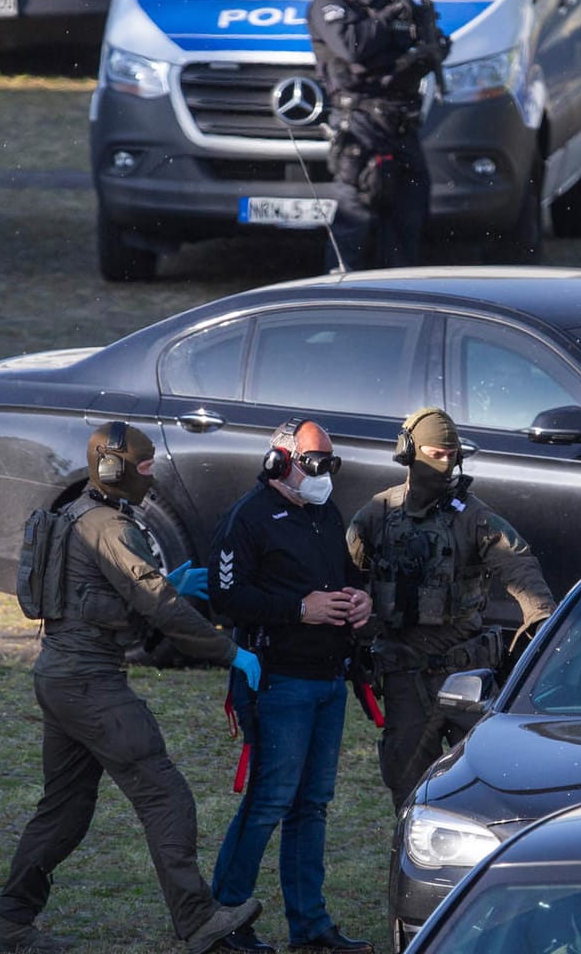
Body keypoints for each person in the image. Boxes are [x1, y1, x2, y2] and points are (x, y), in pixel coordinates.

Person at [0, 421, 265, 954]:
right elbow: (155, 604)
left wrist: (166, 588)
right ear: (112, 469)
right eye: (142, 466)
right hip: (92, 685)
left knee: (64, 809)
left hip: (60, 677)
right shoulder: (110, 528)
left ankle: (10, 922)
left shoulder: (77, 515)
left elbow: (100, 596)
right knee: (166, 796)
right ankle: (199, 920)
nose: (150, 473)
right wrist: (230, 651)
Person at [205, 418, 374, 954]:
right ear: (279, 461)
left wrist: (359, 599)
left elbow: (346, 576)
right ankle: (225, 919)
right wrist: (298, 610)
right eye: (313, 462)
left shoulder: (326, 514)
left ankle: (311, 926)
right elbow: (225, 600)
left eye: (330, 462)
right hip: (279, 682)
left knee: (313, 805)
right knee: (269, 801)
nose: (324, 473)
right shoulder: (248, 519)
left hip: (328, 680)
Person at [346, 407, 556, 811]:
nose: (443, 465)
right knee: (407, 790)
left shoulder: (474, 517)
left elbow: (519, 566)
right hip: (404, 677)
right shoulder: (380, 513)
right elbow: (344, 568)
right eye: (433, 454)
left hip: (464, 678)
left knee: (484, 785)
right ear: (408, 452)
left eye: (449, 456)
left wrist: (543, 620)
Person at [307, 0, 449, 271]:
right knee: (355, 210)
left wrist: (429, 42)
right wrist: (389, 17)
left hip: (401, 120)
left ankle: (401, 289)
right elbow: (352, 47)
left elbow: (430, 45)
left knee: (409, 209)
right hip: (360, 123)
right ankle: (339, 295)